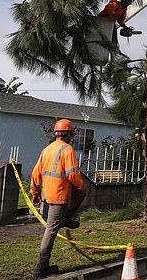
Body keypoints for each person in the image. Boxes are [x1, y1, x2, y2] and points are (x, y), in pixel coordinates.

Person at [31, 118, 86, 278]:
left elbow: (35, 174)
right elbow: (73, 175)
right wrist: (81, 187)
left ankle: (66, 218)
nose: (72, 136)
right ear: (68, 134)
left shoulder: (46, 150)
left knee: (52, 227)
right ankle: (41, 267)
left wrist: (35, 193)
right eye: (71, 133)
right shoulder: (67, 150)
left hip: (48, 195)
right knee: (51, 229)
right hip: (60, 196)